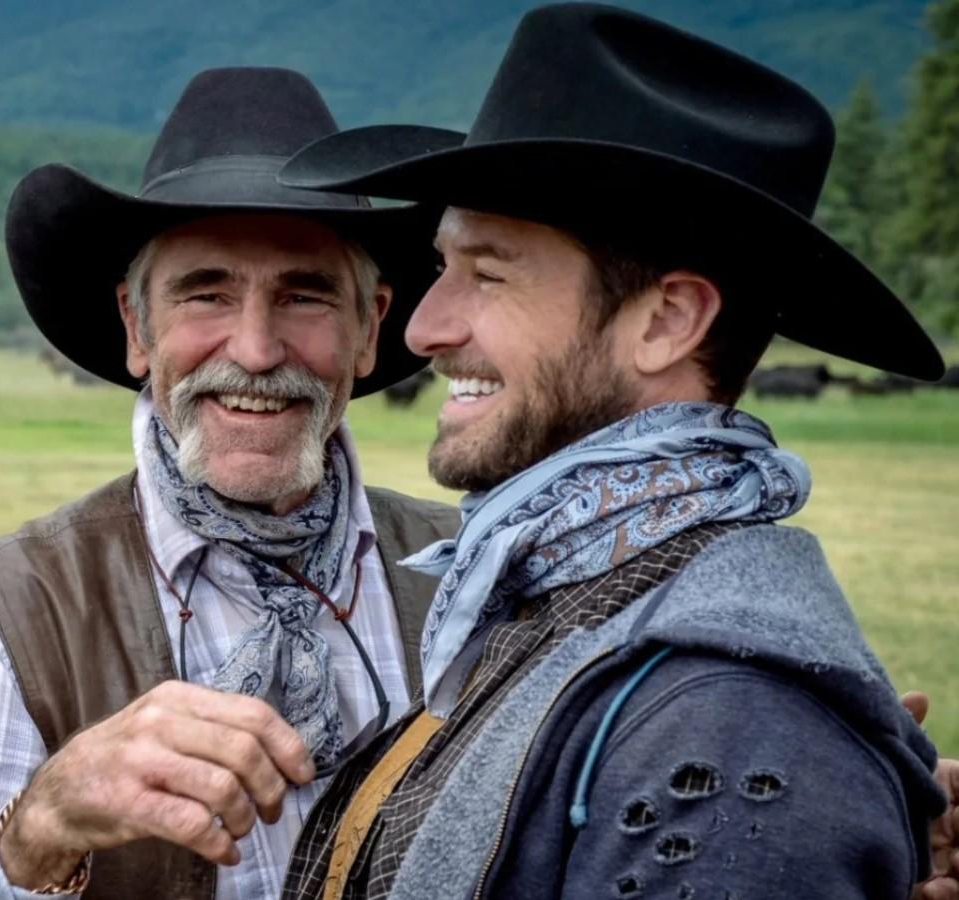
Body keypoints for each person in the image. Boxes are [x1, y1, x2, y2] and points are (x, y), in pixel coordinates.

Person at [271, 4, 954, 898]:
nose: (427, 327)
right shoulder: (561, 596)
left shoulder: (730, 730)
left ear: (666, 322)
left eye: (489, 271)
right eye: (442, 266)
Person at [0, 67, 464, 899]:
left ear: (368, 330)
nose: (254, 350)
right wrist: (44, 827)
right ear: (135, 326)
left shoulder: (476, 584)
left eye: (303, 296)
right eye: (205, 292)